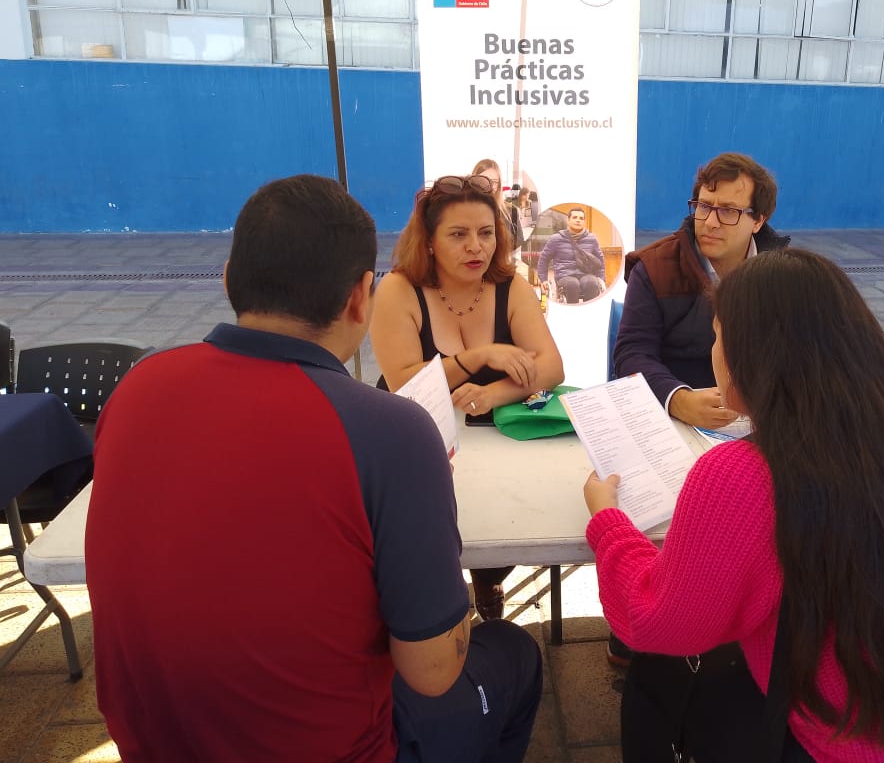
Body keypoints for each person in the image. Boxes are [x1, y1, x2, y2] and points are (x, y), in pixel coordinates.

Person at [86, 175, 543, 763]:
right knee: (512, 653)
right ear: (361, 296)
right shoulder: (392, 431)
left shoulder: (136, 388)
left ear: (229, 280)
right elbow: (434, 671)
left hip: (154, 739)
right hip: (341, 746)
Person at [584, 249, 884, 763]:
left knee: (661, 669)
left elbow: (657, 621)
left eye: (717, 334)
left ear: (749, 352)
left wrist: (608, 522)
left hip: (868, 749)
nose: (714, 347)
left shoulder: (747, 472)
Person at [370, 173, 564, 622]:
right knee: (429, 536)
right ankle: (438, 600)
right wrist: (480, 355)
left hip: (490, 440)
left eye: (486, 233)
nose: (476, 247)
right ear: (431, 242)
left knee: (508, 517)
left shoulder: (510, 286)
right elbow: (404, 382)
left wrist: (493, 393)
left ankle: (488, 581)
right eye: (458, 235)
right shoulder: (399, 290)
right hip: (412, 438)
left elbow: (552, 367)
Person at [614, 151, 790, 431]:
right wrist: (678, 399)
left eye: (729, 211)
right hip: (676, 420)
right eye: (704, 206)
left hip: (765, 423)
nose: (709, 222)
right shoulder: (654, 267)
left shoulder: (786, 276)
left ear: (758, 221)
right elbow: (631, 354)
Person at [535, 207, 605, 303]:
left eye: (581, 218)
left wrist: (601, 278)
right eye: (575, 217)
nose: (578, 220)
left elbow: (600, 260)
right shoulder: (556, 239)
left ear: (584, 222)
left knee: (592, 283)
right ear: (568, 220)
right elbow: (544, 259)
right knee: (572, 284)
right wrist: (544, 280)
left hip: (586, 274)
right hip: (564, 274)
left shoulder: (592, 239)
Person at [473, 158, 522, 251]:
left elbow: (518, 246)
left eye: (494, 182)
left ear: (499, 185)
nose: (489, 186)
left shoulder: (511, 212)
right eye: (483, 180)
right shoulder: (463, 213)